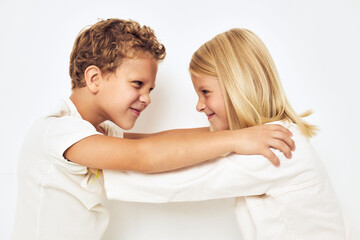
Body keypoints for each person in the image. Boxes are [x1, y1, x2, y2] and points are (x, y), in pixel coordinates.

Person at [11, 19, 295, 240]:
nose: (147, 97)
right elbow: (142, 156)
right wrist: (234, 139)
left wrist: (239, 132)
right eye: (137, 84)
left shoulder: (96, 132)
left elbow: (159, 141)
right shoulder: (58, 130)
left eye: (150, 89)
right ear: (95, 78)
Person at [103, 29, 354, 239]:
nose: (199, 105)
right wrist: (111, 138)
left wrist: (89, 160)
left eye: (205, 92)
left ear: (238, 86)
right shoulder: (260, 135)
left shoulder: (277, 146)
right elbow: (183, 142)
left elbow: (181, 179)